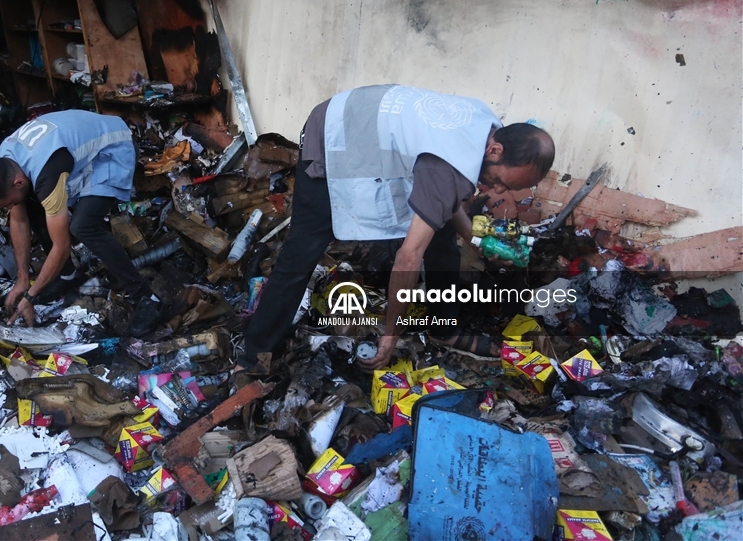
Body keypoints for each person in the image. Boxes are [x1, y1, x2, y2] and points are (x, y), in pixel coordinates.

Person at [238, 85, 555, 373]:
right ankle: (253, 355)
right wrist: (390, 336)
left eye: (505, 188)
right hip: (333, 133)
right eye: (499, 181)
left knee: (442, 240)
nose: (496, 191)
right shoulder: (452, 162)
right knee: (301, 252)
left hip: (369, 123)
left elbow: (444, 200)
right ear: (495, 150)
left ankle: (444, 328)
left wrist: (475, 240)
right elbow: (408, 257)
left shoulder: (486, 127)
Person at [0, 110, 162, 334]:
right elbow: (19, 221)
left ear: (18, 182)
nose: (10, 208)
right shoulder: (4, 162)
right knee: (28, 202)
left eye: (9, 203)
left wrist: (30, 297)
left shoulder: (46, 172)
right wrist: (22, 278)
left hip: (111, 149)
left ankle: (146, 297)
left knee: (83, 226)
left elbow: (61, 246)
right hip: (77, 155)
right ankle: (68, 275)